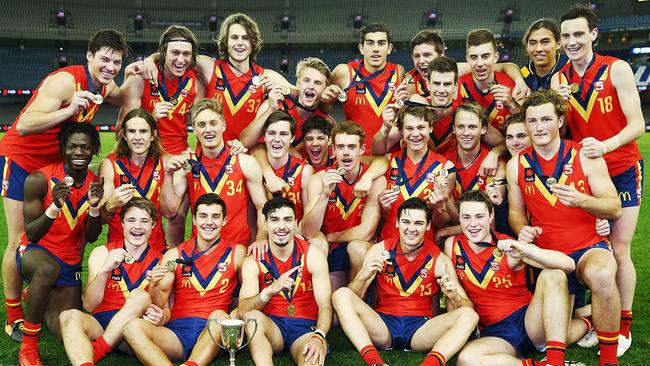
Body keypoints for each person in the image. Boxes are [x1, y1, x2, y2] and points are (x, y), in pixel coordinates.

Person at [0, 29, 127, 342]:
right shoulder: (66, 82)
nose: (110, 66)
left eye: (117, 62)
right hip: (22, 160)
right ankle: (14, 316)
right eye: (104, 59)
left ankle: (43, 290)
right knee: (19, 238)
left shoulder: (106, 83)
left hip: (58, 166)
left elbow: (124, 93)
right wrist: (69, 110)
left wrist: (148, 63)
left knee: (70, 226)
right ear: (89, 56)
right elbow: (26, 124)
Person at [552, 5, 645, 355]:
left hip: (620, 167)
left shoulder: (616, 69)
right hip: (585, 175)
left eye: (579, 34)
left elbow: (637, 123)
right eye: (567, 36)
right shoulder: (560, 79)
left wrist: (606, 145)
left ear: (593, 34)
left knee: (619, 250)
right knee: (593, 248)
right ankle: (598, 317)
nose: (573, 41)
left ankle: (623, 327)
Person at [507, 89, 623, 366]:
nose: (539, 127)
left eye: (546, 119)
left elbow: (614, 207)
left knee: (603, 274)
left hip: (588, 247)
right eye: (532, 121)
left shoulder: (584, 156)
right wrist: (523, 228)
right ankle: (571, 339)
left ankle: (608, 359)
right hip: (548, 256)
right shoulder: (517, 165)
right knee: (542, 337)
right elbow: (515, 212)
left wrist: (583, 200)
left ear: (560, 121)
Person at [334, 197, 478, 366]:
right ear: (397, 223)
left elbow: (467, 307)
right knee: (341, 295)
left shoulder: (439, 260)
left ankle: (430, 364)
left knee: (470, 316)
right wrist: (364, 275)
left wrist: (454, 296)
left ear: (428, 226)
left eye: (418, 223)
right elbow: (355, 296)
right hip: (383, 326)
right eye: (406, 222)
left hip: (420, 330)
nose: (411, 228)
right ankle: (374, 362)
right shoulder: (379, 250)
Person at [447, 190, 585, 366]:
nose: (473, 224)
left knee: (554, 274)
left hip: (529, 323)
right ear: (459, 219)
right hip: (495, 334)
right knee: (467, 359)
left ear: (491, 216)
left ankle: (556, 360)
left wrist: (524, 249)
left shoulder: (508, 247)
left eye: (479, 216)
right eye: (466, 217)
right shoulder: (451, 245)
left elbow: (568, 264)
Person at [123, 193, 246, 365]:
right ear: (194, 220)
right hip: (177, 332)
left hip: (212, 331)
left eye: (215, 217)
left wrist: (234, 314)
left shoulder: (237, 252)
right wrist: (154, 285)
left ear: (224, 220)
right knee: (131, 328)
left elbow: (248, 295)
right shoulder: (174, 255)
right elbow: (159, 304)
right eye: (203, 216)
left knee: (219, 316)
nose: (209, 222)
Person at [17, 123, 104, 365]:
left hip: (69, 261)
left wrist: (95, 206)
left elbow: (94, 235)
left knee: (62, 327)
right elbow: (32, 234)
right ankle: (28, 346)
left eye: (85, 147)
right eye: (72, 147)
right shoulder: (39, 180)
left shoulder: (96, 183)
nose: (78, 152)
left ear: (95, 149)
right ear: (62, 149)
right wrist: (54, 206)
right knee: (47, 270)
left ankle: (38, 297)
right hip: (36, 253)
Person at [59, 198, 164, 366]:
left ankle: (99, 349)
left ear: (153, 225)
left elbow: (165, 311)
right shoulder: (102, 253)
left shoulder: (162, 262)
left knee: (140, 296)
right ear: (122, 223)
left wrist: (162, 317)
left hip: (135, 329)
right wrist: (104, 271)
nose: (137, 226)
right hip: (101, 323)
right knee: (68, 315)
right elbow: (88, 305)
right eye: (131, 220)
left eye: (144, 221)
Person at [373, 56, 507, 177]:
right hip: (411, 177)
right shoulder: (415, 108)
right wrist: (385, 128)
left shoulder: (466, 114)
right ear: (428, 84)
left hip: (448, 178)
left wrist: (494, 154)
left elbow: (503, 143)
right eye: (436, 84)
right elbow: (379, 151)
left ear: (455, 86)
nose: (441, 90)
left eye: (447, 84)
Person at [161, 98, 268, 247]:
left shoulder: (245, 162)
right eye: (201, 125)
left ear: (223, 126)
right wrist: (168, 175)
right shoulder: (186, 165)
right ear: (195, 129)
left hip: (236, 252)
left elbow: (262, 206)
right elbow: (169, 212)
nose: (208, 129)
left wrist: (261, 237)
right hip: (201, 252)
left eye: (213, 123)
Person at [238, 197, 332, 366]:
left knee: (312, 362)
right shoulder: (253, 261)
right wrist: (268, 292)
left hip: (306, 329)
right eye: (274, 220)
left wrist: (319, 337)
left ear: (296, 224)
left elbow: (326, 307)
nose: (281, 226)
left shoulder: (313, 255)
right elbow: (243, 311)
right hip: (273, 327)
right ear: (265, 224)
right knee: (252, 318)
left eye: (287, 220)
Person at [301, 121, 386, 290]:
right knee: (316, 244)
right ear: (333, 150)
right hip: (330, 249)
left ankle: (356, 302)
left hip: (354, 243)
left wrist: (332, 237)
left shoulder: (375, 179)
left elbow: (366, 231)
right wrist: (325, 194)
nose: (346, 153)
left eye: (351, 147)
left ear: (361, 150)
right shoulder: (319, 179)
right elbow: (308, 231)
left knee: (357, 248)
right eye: (340, 147)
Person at [119, 25, 204, 155]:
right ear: (163, 52)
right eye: (175, 53)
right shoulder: (140, 78)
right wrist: (150, 119)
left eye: (186, 54)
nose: (181, 60)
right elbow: (119, 133)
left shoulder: (197, 83)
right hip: (145, 156)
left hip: (179, 157)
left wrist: (196, 154)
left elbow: (202, 129)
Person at [378, 106, 455, 242]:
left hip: (424, 245)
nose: (415, 134)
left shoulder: (445, 168)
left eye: (421, 127)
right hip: (388, 241)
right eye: (409, 128)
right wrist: (383, 208)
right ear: (401, 131)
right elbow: (379, 215)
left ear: (430, 128)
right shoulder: (388, 161)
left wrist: (439, 208)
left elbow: (441, 222)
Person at [324, 23, 405, 150]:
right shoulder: (344, 72)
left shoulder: (398, 72)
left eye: (381, 43)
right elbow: (323, 109)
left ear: (389, 48)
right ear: (361, 48)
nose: (376, 49)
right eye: (370, 43)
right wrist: (325, 100)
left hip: (390, 155)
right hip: (356, 157)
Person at [98, 108, 167, 253]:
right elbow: (101, 220)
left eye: (143, 131)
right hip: (119, 250)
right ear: (124, 135)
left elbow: (171, 212)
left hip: (155, 250)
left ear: (153, 135)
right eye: (131, 131)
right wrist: (111, 204)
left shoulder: (166, 163)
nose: (137, 137)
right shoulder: (110, 165)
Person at [240, 57, 335, 150]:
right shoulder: (275, 103)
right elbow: (244, 142)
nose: (311, 86)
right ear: (298, 83)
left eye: (317, 83)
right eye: (306, 80)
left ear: (325, 89)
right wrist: (271, 110)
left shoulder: (327, 122)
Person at [252, 110, 313, 222]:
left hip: (294, 234)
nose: (277, 139)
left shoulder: (304, 171)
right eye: (271, 133)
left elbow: (307, 217)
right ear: (264, 137)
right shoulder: (252, 166)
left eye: (283, 134)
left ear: (292, 138)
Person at [458, 29, 521, 131]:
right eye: (474, 57)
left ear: (496, 57)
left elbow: (528, 126)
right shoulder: (456, 87)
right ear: (467, 59)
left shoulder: (513, 85)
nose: (479, 63)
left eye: (485, 56)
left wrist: (512, 105)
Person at [520, 19, 570, 92]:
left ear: (558, 44)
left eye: (545, 42)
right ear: (527, 47)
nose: (538, 49)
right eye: (533, 43)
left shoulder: (572, 69)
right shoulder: (522, 75)